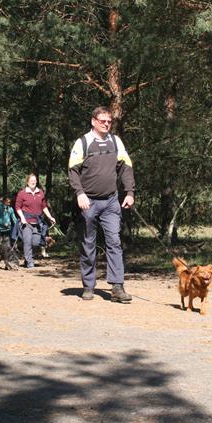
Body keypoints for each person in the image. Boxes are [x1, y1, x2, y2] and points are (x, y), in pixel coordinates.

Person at [68, 106, 135, 302]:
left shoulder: (116, 141)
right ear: (93, 121)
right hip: (88, 202)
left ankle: (117, 287)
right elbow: (73, 170)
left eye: (109, 121)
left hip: (111, 201)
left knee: (114, 241)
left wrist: (129, 192)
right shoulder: (82, 142)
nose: (106, 124)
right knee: (88, 244)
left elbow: (126, 167)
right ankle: (88, 286)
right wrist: (79, 193)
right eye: (102, 121)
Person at [15, 173, 56, 269]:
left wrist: (50, 217)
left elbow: (44, 206)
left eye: (34, 180)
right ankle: (30, 263)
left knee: (36, 242)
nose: (33, 182)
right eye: (31, 180)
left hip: (37, 222)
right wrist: (22, 218)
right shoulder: (22, 193)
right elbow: (17, 207)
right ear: (27, 182)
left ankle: (27, 259)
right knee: (27, 242)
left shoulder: (40, 192)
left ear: (36, 181)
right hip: (26, 222)